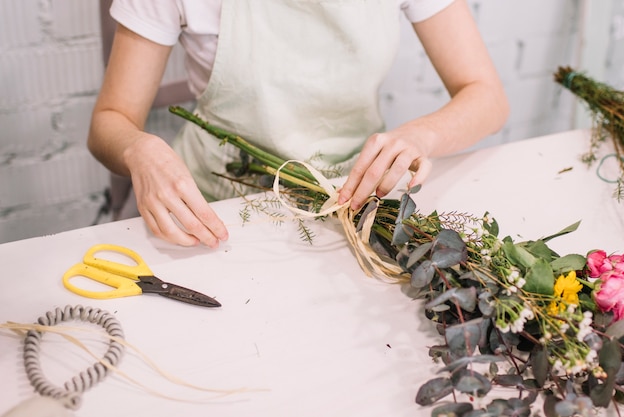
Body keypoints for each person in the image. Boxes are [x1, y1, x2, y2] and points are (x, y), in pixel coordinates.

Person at [88, 0, 509, 248]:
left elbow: (487, 96)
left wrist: (421, 134)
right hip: (215, 212)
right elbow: (110, 121)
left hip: (352, 200)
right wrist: (137, 149)